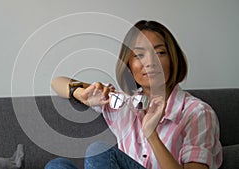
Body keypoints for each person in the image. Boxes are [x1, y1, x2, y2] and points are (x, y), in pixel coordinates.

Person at [46, 20, 222, 169]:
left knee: (98, 150)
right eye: (139, 55)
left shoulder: (197, 113)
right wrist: (81, 93)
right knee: (57, 165)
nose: (150, 62)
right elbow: (57, 82)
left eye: (160, 53)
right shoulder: (123, 103)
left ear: (173, 59)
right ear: (129, 65)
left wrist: (151, 134)